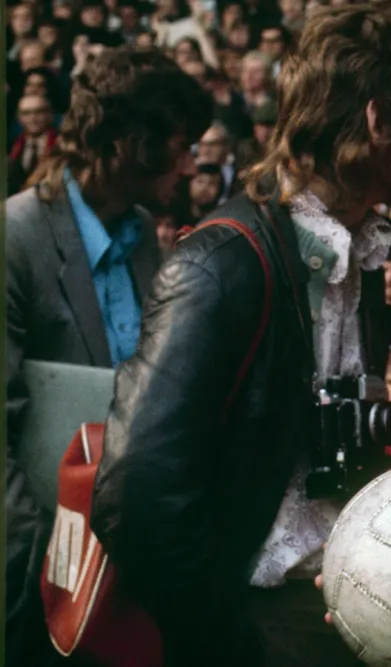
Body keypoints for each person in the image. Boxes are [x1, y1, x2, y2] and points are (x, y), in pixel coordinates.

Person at [89, 6, 391, 667]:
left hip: (337, 598)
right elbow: (137, 497)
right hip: (261, 620)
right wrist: (224, 641)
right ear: (377, 122)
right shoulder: (223, 263)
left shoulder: (360, 253)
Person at [5, 46, 211, 667]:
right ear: (124, 142)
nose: (188, 162)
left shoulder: (144, 233)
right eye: (177, 143)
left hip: (127, 569)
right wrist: (52, 564)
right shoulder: (15, 239)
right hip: (38, 580)